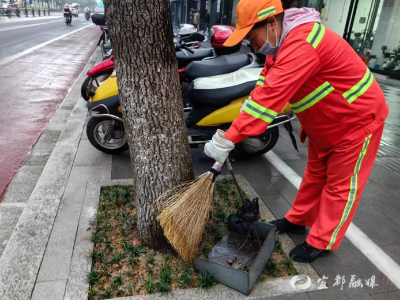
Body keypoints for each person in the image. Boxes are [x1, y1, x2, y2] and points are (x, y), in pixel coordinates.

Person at [204, 0, 389, 263]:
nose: (251, 44)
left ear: (271, 23)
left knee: (340, 186)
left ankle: (322, 240)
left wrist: (229, 138)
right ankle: (298, 219)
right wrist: (248, 105)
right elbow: (265, 83)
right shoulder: (280, 44)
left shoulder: (301, 45)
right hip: (325, 123)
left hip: (356, 123)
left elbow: (270, 99)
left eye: (251, 36)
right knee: (315, 175)